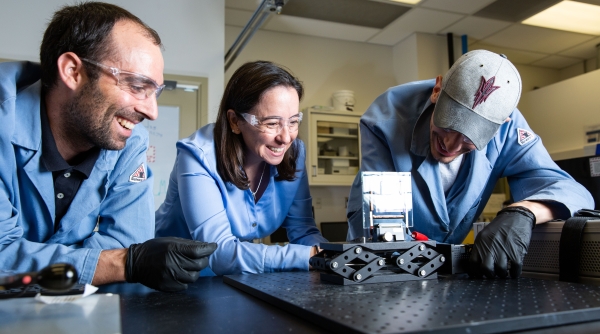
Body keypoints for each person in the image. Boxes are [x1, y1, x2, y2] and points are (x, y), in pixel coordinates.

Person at [0, 2, 216, 292]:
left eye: (156, 92)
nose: (152, 113)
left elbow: (126, 241)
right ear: (73, 71)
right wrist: (118, 264)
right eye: (137, 86)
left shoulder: (130, 141)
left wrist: (110, 260)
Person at [346, 49, 593, 279]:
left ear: (501, 124)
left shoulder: (507, 128)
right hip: (383, 269)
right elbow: (383, 227)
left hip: (451, 274)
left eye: (470, 138)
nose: (450, 145)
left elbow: (571, 191)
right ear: (437, 90)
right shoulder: (386, 117)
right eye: (448, 124)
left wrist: (524, 212)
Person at [155, 60, 328, 275]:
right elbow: (217, 252)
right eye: (272, 123)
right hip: (172, 279)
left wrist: (331, 255)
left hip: (237, 275)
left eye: (293, 122)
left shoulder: (294, 153)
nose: (285, 137)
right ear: (235, 121)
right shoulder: (197, 155)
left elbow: (302, 231)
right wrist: (310, 257)